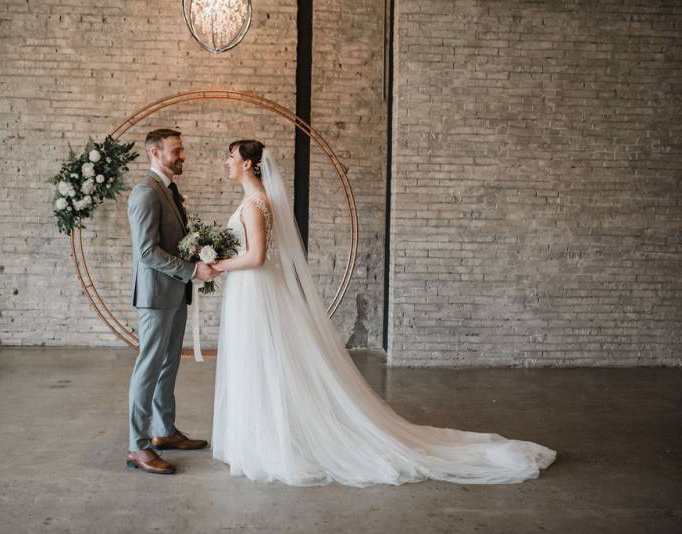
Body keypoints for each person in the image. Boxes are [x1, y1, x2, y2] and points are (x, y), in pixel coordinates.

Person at [210, 140, 556, 486]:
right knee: (256, 361)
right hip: (251, 290)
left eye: (231, 156)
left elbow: (255, 257)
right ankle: (257, 436)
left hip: (256, 288)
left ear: (248, 164)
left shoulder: (255, 205)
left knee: (259, 360)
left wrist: (216, 264)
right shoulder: (251, 200)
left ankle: (268, 441)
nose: (226, 161)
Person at [125, 128, 218, 475]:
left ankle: (164, 432)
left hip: (175, 293)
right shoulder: (145, 193)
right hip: (156, 296)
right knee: (148, 368)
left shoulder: (168, 190)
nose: (182, 156)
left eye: (181, 150)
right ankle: (138, 446)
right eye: (176, 151)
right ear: (154, 153)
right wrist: (193, 270)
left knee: (168, 366)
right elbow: (147, 252)